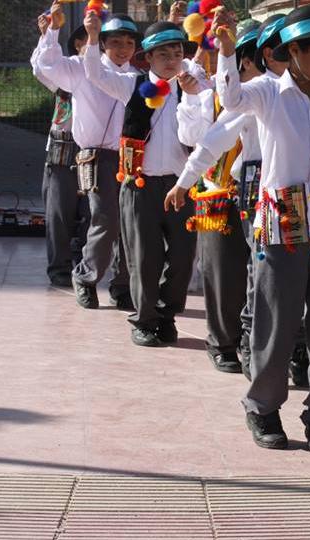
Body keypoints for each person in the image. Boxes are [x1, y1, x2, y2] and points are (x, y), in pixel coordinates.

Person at [216, 4, 310, 454]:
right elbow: (231, 101)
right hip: (280, 224)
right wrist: (226, 54)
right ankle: (263, 408)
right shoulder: (267, 93)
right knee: (276, 323)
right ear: (295, 52)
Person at [83, 14, 210, 346]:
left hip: (181, 187)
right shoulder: (132, 86)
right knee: (144, 258)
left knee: (184, 257)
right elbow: (94, 73)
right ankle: (145, 319)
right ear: (148, 58)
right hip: (139, 186)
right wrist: (94, 36)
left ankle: (167, 314)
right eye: (164, 54)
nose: (172, 61)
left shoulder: (193, 89)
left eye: (177, 53)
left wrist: (195, 94)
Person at [166, 19, 261, 371]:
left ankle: (256, 342)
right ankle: (222, 341)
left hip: (262, 198)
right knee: (222, 272)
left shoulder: (277, 97)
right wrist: (191, 96)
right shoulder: (212, 97)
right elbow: (192, 137)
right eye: (243, 60)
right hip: (219, 195)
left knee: (261, 274)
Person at [34, 5, 138, 311]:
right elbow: (45, 65)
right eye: (116, 42)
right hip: (96, 156)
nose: (123, 49)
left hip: (132, 157)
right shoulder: (80, 67)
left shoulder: (137, 75)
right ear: (103, 43)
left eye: (129, 43)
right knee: (104, 220)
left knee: (130, 225)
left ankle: (122, 285)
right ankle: (86, 276)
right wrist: (53, 30)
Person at [31, 17, 90, 287]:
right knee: (58, 214)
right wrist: (47, 35)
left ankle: (84, 263)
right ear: (78, 44)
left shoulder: (108, 77)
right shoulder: (64, 75)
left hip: (94, 151)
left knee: (93, 213)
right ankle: (60, 269)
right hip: (62, 151)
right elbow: (40, 68)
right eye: (91, 40)